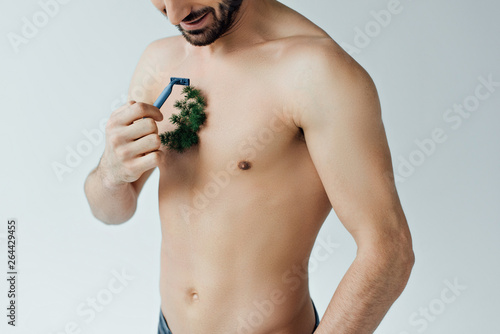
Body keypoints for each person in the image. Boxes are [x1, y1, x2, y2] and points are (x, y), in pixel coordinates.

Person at [84, 1, 415, 333]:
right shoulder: (159, 60)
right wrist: (111, 174)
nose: (174, 15)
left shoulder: (316, 72)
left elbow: (388, 252)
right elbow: (112, 212)